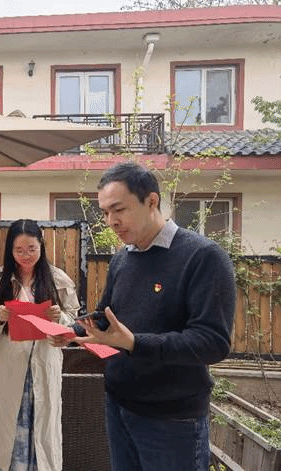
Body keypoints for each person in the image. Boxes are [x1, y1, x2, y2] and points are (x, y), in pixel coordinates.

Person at [62, 162, 236, 471]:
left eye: (119, 209)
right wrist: (70, 332)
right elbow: (105, 317)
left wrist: (134, 343)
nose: (111, 221)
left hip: (172, 419)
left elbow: (213, 342)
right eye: (105, 212)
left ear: (152, 201)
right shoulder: (122, 259)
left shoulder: (203, 256)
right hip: (118, 404)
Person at [0, 219, 79, 471]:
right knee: (6, 430)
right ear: (10, 250)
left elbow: (74, 319)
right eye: (19, 250)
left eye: (32, 249)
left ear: (41, 246)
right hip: (8, 365)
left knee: (42, 429)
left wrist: (60, 317)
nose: (26, 255)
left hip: (43, 364)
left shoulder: (57, 279)